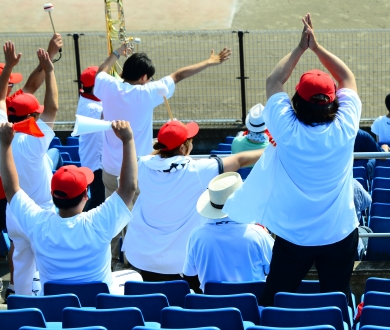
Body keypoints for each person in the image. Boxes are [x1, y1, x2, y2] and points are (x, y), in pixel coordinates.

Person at [224, 13, 360, 307]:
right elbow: (347, 78)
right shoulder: (346, 126)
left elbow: (274, 80)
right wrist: (318, 47)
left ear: (297, 100)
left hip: (293, 235)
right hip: (339, 233)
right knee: (336, 300)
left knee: (273, 300)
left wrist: (302, 47)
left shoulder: (286, 128)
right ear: (334, 100)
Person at [94, 44, 231, 266]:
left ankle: (107, 262)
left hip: (110, 167)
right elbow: (178, 75)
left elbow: (101, 71)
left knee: (112, 215)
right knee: (137, 217)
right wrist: (209, 62)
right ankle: (133, 261)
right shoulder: (146, 92)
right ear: (144, 77)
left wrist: (116, 53)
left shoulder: (108, 85)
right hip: (136, 170)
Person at [0, 119, 139, 294]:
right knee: (134, 276)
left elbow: (11, 189)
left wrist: (5, 144)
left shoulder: (37, 223)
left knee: (32, 282)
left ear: (52, 195)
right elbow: (128, 188)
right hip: (98, 306)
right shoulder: (99, 222)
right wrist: (128, 140)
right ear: (86, 196)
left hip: (53, 308)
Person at [123, 119, 263, 281]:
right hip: (182, 263)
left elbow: (154, 158)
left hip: (143, 258)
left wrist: (170, 135)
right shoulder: (198, 170)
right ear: (183, 148)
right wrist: (273, 149)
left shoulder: (143, 164)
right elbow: (240, 160)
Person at [0, 34, 62, 300]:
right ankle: (45, 302)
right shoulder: (36, 140)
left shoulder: (1, 132)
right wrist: (50, 71)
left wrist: (9, 67)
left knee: (21, 260)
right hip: (41, 211)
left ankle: (21, 303)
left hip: (15, 210)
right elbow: (54, 107)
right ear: (33, 116)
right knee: (47, 261)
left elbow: (0, 99)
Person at [183, 172, 274, 292]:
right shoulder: (258, 234)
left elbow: (189, 277)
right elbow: (277, 272)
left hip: (211, 307)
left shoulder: (197, 236)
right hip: (252, 308)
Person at [76, 66, 105, 211]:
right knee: (99, 199)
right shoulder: (92, 107)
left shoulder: (87, 98)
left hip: (93, 158)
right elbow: (109, 115)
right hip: (96, 162)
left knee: (99, 197)